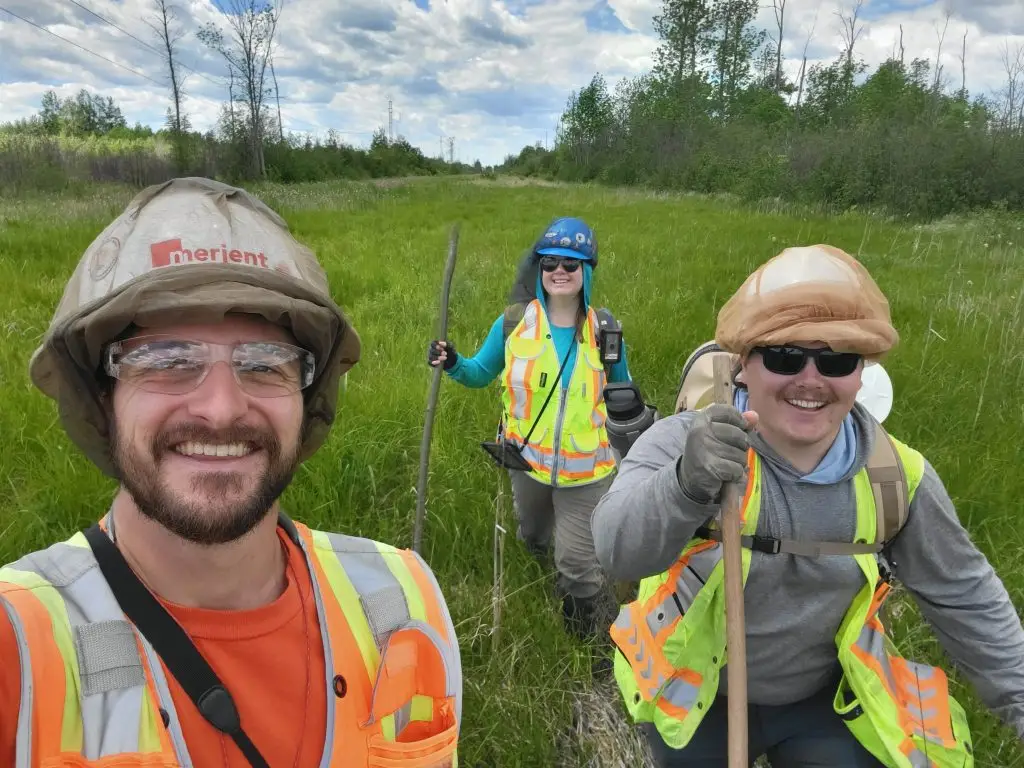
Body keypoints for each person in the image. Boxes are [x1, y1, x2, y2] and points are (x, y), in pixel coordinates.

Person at [0, 177, 462, 768]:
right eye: (166, 361)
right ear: (101, 398)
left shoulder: (406, 604)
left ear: (308, 395)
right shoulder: (21, 643)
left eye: (265, 363)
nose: (221, 408)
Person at [591, 244, 1024, 767]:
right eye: (785, 356)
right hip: (697, 696)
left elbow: (966, 596)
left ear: (861, 375)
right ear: (743, 366)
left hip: (820, 700)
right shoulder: (683, 443)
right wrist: (685, 482)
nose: (811, 379)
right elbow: (616, 550)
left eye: (837, 359)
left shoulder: (895, 477)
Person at [427, 216, 632, 643]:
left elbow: (623, 393)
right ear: (539, 269)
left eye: (571, 264)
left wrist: (635, 428)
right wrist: (452, 363)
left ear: (586, 273)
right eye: (550, 262)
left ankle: (580, 644)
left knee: (577, 565)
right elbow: (480, 373)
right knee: (533, 535)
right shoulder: (513, 323)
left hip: (587, 474)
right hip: (527, 462)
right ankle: (538, 565)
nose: (559, 271)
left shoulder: (605, 331)